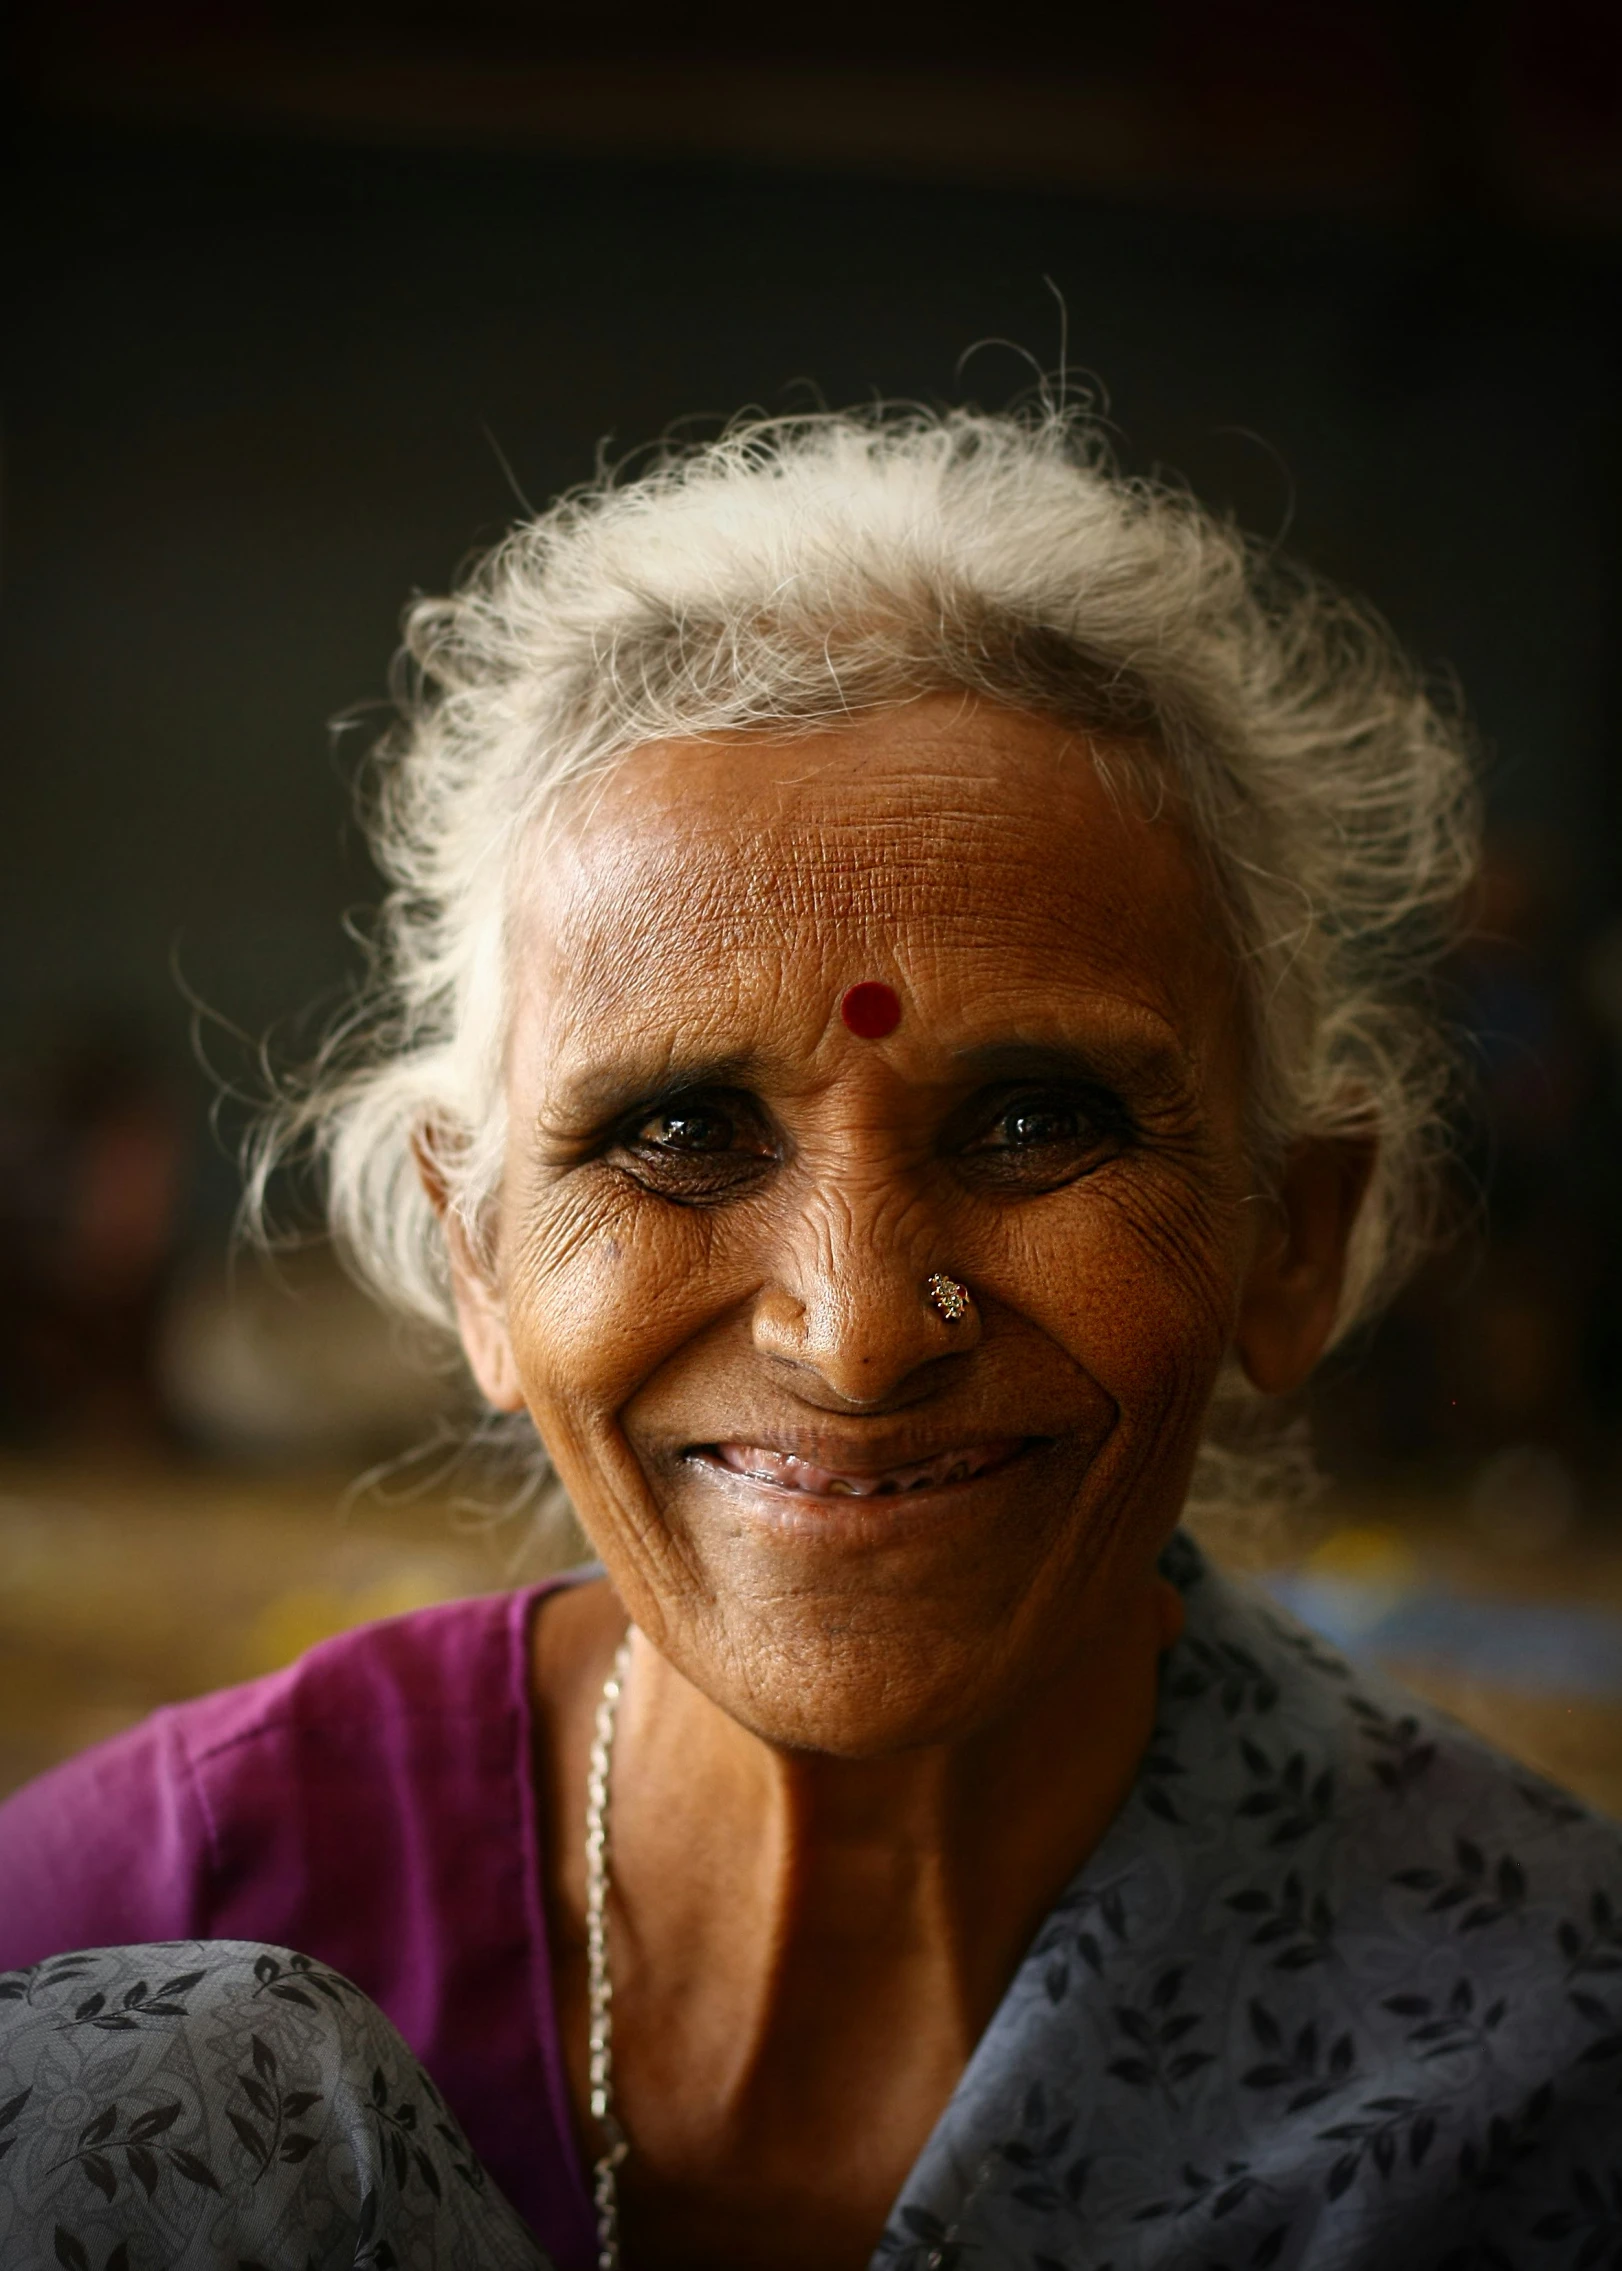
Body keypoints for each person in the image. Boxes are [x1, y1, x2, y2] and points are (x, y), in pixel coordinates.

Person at [2, 406, 1617, 2271]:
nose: (855, 1335)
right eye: (679, 1129)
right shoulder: (128, 1919)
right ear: (478, 1258)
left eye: (1034, 1121)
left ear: (1291, 1239)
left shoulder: (1541, 2075)